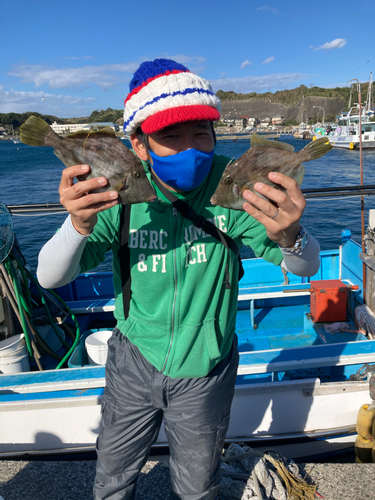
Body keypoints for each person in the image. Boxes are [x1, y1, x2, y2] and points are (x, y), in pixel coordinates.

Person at [37, 58, 321, 500]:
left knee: (196, 484)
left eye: (201, 133)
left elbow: (305, 267)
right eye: (170, 136)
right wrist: (77, 224)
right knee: (112, 472)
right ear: (139, 144)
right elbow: (51, 276)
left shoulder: (234, 185)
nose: (191, 148)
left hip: (206, 369)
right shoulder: (118, 191)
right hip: (133, 360)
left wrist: (290, 234)